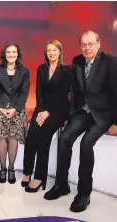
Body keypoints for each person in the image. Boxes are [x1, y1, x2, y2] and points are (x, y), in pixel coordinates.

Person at [44, 31, 117, 213]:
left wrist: (116, 121)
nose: (87, 48)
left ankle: (84, 194)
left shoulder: (111, 62)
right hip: (83, 111)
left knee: (86, 144)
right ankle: (62, 185)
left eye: (91, 44)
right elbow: (75, 91)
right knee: (65, 138)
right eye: (84, 44)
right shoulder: (77, 61)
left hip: (103, 114)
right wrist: (71, 113)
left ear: (99, 43)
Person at [21, 40, 71, 192]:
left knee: (43, 137)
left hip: (59, 109)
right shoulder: (42, 68)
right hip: (41, 108)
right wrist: (41, 110)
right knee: (31, 136)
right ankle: (27, 171)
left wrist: (48, 112)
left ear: (60, 52)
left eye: (54, 50)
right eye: (49, 50)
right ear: (46, 53)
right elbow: (39, 91)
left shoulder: (67, 70)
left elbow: (63, 95)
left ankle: (39, 176)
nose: (52, 53)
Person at [0, 41, 30, 184]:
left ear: (17, 54)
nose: (11, 55)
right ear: (4, 55)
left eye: (14, 52)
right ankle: (2, 169)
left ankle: (11, 169)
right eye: (8, 52)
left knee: (12, 137)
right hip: (0, 107)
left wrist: (14, 108)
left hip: (16, 108)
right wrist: (0, 108)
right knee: (2, 137)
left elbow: (24, 93)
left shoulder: (24, 71)